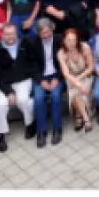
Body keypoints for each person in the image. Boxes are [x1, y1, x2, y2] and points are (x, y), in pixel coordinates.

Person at [26, 19, 65, 147]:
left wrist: (57, 78)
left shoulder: (59, 39)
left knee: (55, 96)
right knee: (38, 98)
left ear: (52, 29)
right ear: (38, 33)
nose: (46, 35)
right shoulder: (33, 42)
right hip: (41, 76)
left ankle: (57, 129)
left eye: (48, 32)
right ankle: (41, 131)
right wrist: (40, 80)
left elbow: (64, 61)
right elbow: (32, 65)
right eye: (43, 33)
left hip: (56, 75)